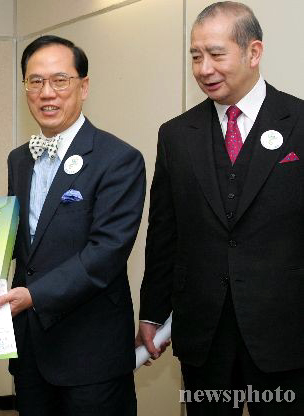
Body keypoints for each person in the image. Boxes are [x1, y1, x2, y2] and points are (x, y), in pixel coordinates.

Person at [137, 2, 304, 415]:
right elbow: (164, 231)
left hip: (285, 330)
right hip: (204, 331)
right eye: (196, 56)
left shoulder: (299, 121)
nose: (204, 69)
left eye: (216, 54)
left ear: (253, 52)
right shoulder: (176, 135)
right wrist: (153, 312)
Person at [0, 35, 144, 415]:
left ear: (84, 86)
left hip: (90, 352)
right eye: (35, 81)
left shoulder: (118, 159)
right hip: (31, 349)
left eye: (60, 81)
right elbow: (23, 243)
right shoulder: (19, 160)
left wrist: (33, 296)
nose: (47, 93)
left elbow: (105, 253)